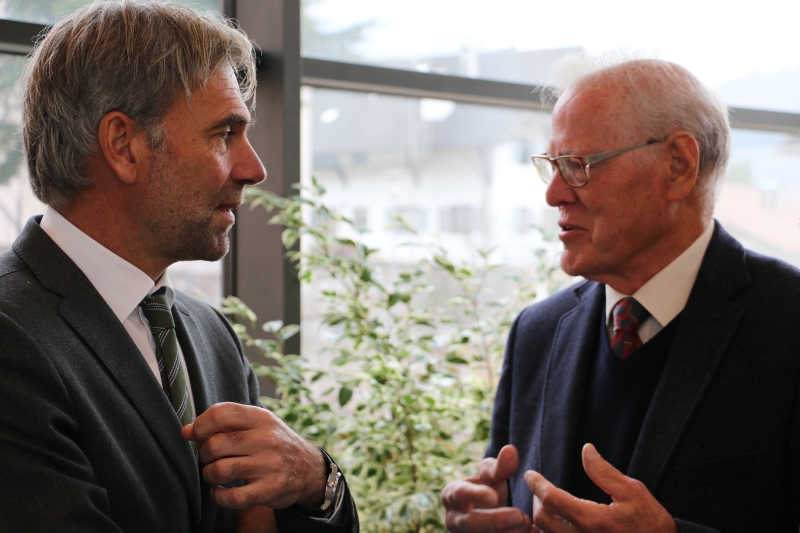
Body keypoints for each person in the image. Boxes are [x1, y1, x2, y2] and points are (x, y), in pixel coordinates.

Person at [0, 1, 358, 532]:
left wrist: (316, 482)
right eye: (224, 134)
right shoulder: (10, 336)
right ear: (123, 145)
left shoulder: (212, 334)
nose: (254, 169)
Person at [441, 56, 800, 532]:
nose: (553, 194)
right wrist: (483, 516)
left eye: (577, 165)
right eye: (552, 166)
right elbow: (504, 498)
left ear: (678, 165)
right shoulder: (537, 332)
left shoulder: (788, 320)